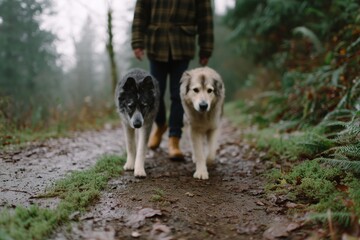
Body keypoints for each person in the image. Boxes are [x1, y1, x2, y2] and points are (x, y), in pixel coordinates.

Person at [131, 0, 214, 160]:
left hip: (183, 44)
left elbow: (205, 18)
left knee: (179, 94)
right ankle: (161, 125)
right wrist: (137, 42)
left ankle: (174, 139)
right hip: (156, 43)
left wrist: (206, 48)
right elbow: (140, 11)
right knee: (154, 94)